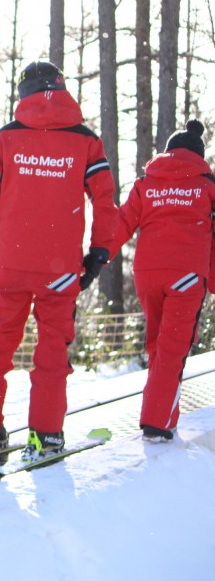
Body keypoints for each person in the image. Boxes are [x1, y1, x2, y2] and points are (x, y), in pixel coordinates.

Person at [0, 60, 118, 462]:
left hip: (10, 264)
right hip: (59, 269)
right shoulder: (86, 141)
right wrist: (99, 253)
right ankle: (46, 436)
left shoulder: (4, 139)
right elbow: (104, 201)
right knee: (52, 353)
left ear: (23, 94)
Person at [106, 120, 215, 442]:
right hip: (185, 274)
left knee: (158, 344)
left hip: (148, 274)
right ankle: (157, 423)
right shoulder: (208, 184)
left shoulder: (146, 183)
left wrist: (96, 258)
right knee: (172, 350)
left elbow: (122, 223)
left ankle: (163, 411)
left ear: (168, 152)